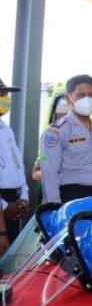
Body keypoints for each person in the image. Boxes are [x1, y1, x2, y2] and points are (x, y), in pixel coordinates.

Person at [39, 75, 92, 208]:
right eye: (80, 95)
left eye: (90, 95)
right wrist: (54, 207)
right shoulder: (56, 131)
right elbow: (49, 173)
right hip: (74, 196)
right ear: (68, 98)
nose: (87, 99)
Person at [0, 78, 30, 245]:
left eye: (5, 93)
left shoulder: (5, 128)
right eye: (1, 94)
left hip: (13, 200)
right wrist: (4, 206)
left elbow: (18, 165)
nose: (5, 98)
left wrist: (23, 197)